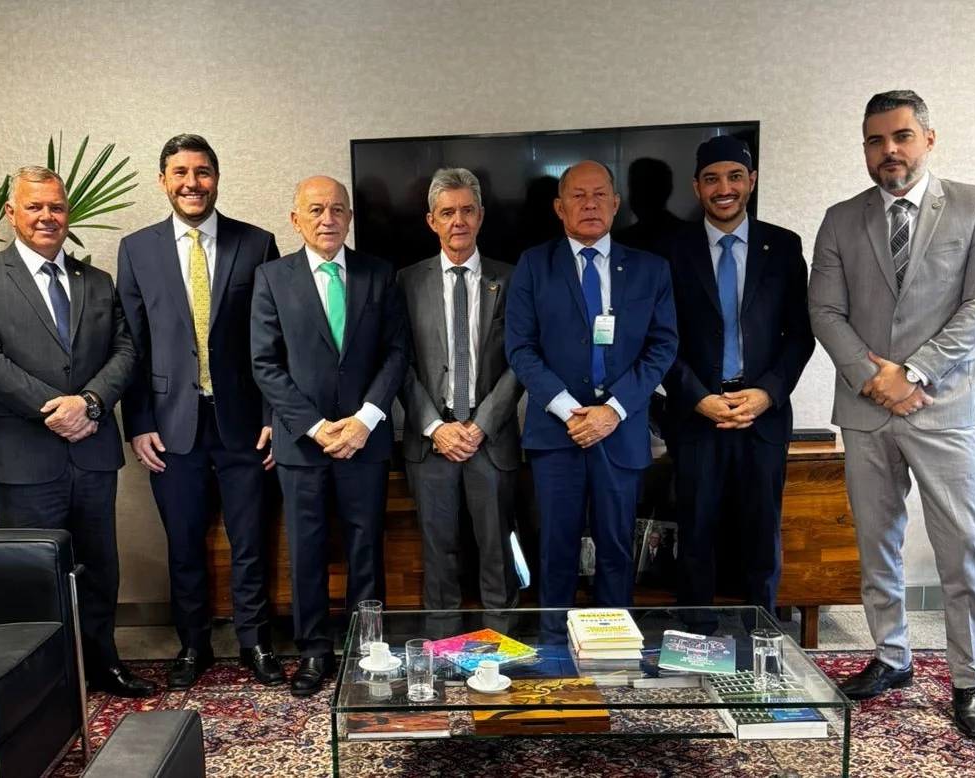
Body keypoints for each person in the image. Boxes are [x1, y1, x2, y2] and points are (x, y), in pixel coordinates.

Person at [808, 90, 975, 739]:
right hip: (866, 412)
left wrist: (912, 373)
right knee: (876, 544)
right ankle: (892, 656)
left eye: (901, 136)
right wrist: (875, 380)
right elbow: (824, 311)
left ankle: (969, 677)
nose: (888, 150)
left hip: (942, 408)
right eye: (875, 140)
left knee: (960, 548)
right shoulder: (840, 219)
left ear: (928, 139)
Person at [0, 165, 155, 698]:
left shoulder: (97, 281)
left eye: (57, 207)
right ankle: (46, 680)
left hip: (91, 450)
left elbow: (126, 351)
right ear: (11, 213)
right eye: (35, 206)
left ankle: (104, 663)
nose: (47, 216)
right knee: (33, 572)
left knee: (99, 567)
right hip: (25, 455)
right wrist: (56, 408)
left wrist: (88, 403)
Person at [116, 134, 283, 689]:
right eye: (181, 173)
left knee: (251, 541)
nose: (192, 183)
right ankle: (193, 644)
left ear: (216, 177)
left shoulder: (257, 244)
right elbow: (131, 345)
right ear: (163, 181)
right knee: (184, 544)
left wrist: (274, 418)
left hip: (245, 424)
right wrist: (139, 423)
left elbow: (273, 340)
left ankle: (255, 642)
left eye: (203, 172)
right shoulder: (136, 250)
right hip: (170, 426)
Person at [250, 176, 409, 696]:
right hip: (303, 445)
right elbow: (265, 364)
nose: (328, 219)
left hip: (366, 440)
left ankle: (368, 650)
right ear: (295, 219)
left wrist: (365, 420)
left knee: (367, 549)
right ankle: (314, 651)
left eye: (338, 209)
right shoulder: (272, 278)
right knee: (307, 551)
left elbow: (396, 353)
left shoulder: (378, 273)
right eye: (316, 209)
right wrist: (317, 427)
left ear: (350, 217)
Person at [505, 160, 677, 609]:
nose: (590, 204)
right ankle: (554, 640)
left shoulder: (650, 269)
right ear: (559, 207)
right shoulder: (533, 265)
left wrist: (613, 411)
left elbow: (662, 347)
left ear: (616, 204)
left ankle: (614, 640)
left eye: (600, 194)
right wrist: (569, 410)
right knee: (555, 548)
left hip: (621, 429)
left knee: (617, 549)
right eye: (578, 196)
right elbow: (520, 348)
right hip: (556, 433)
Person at [663, 136, 814, 613]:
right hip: (696, 416)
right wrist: (696, 397)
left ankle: (762, 634)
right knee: (695, 537)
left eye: (733, 177)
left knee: (761, 537)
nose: (723, 188)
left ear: (751, 180)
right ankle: (695, 636)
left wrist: (766, 394)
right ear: (696, 187)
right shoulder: (671, 251)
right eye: (711, 179)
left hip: (762, 417)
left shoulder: (783, 246)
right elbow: (659, 340)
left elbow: (800, 335)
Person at [397, 168, 522, 612]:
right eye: (447, 212)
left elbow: (522, 360)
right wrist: (435, 426)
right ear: (431, 221)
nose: (458, 221)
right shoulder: (407, 282)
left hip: (491, 439)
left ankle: (504, 646)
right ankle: (441, 647)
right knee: (439, 557)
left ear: (481, 215)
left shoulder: (512, 279)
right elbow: (399, 363)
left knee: (498, 554)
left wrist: (481, 424)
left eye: (467, 210)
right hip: (432, 442)